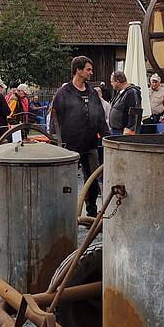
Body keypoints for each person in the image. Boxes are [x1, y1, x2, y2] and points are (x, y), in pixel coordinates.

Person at [51, 56, 110, 217]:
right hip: (69, 146)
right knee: (66, 182)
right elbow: (54, 118)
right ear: (78, 70)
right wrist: (54, 142)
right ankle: (65, 214)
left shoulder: (92, 93)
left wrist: (108, 138)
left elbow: (99, 118)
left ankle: (91, 213)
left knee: (92, 180)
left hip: (89, 145)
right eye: (88, 69)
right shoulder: (64, 93)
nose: (91, 72)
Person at [109, 70, 142, 135]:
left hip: (123, 131)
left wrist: (130, 129)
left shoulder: (131, 92)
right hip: (116, 129)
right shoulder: (120, 92)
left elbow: (134, 111)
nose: (111, 84)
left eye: (112, 81)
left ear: (117, 81)